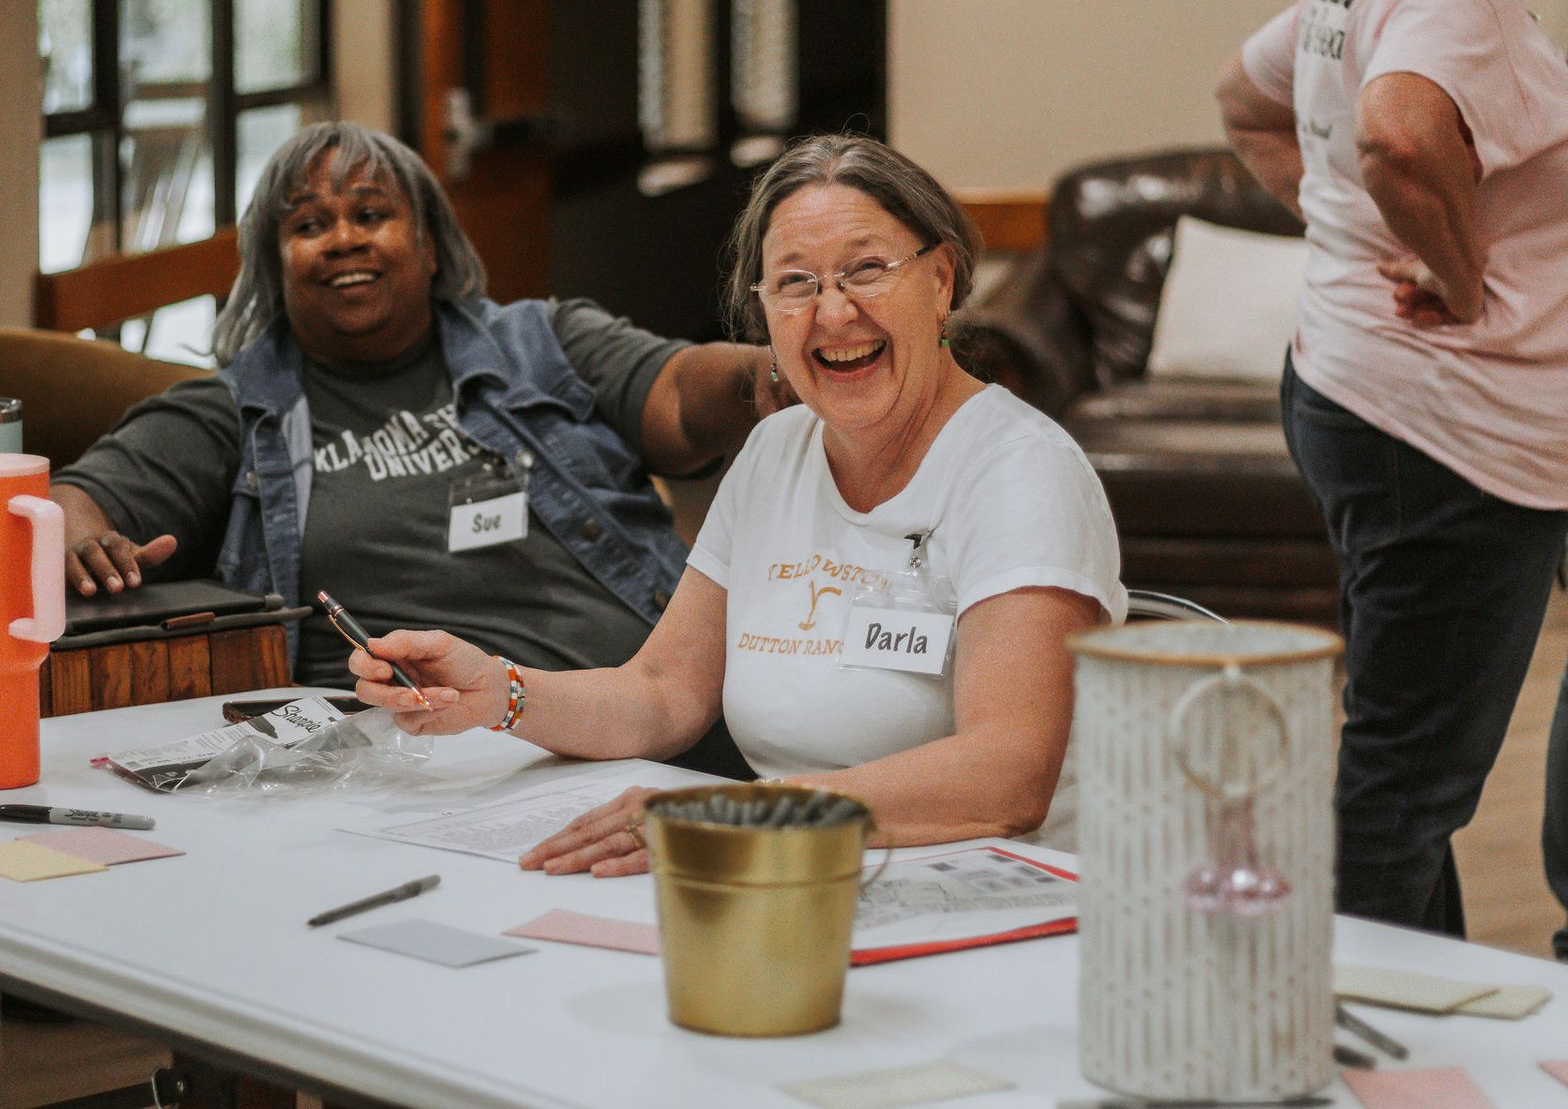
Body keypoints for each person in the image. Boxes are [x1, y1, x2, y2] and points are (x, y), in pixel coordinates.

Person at [348, 134, 1124, 875]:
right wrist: (499, 690)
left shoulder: (1021, 472)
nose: (833, 312)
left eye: (866, 269)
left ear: (942, 279)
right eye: (796, 282)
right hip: (794, 868)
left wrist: (739, 816)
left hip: (1001, 893)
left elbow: (1007, 775)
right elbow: (664, 693)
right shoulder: (775, 450)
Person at [51, 122, 773, 706]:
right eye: (308, 225)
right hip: (414, 751)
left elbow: (678, 392)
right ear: (274, 266)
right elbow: (71, 503)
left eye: (371, 214)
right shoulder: (232, 412)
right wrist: (79, 539)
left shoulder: (540, 342)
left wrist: (768, 374)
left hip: (647, 708)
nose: (343, 239)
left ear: (430, 245)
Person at [1216, 0, 1568, 937]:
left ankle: (1425, 1007)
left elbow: (1244, 99)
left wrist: (1346, 233)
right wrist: (1459, 284)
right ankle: (1329, 1042)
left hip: (1370, 397)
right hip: (1450, 433)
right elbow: (1401, 139)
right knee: (1405, 781)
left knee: (1404, 750)